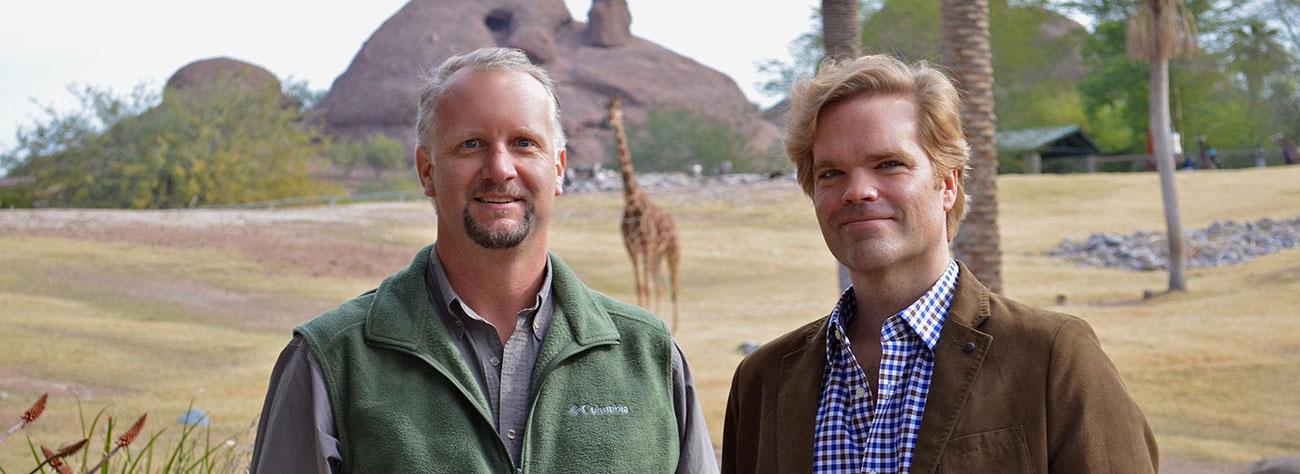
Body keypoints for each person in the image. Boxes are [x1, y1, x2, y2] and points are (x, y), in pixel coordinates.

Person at [250, 47, 716, 473]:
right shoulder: (331, 362)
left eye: (524, 143)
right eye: (471, 144)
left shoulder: (651, 359)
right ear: (427, 171)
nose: (499, 169)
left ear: (557, 169)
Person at [722, 55, 1157, 473]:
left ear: (947, 185)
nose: (857, 191)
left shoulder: (1050, 357)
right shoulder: (763, 381)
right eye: (830, 174)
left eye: (888, 164)